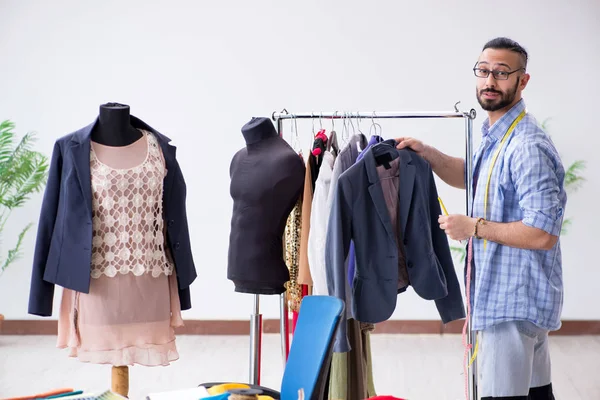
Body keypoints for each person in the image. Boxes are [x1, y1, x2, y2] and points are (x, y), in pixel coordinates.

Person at [396, 37, 566, 400]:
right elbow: (471, 175)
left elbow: (542, 233)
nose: (490, 81)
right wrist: (428, 154)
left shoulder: (527, 146)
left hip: (514, 304)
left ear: (523, 81)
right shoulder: (495, 135)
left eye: (502, 73)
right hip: (508, 301)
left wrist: (473, 227)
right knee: (537, 396)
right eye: (484, 71)